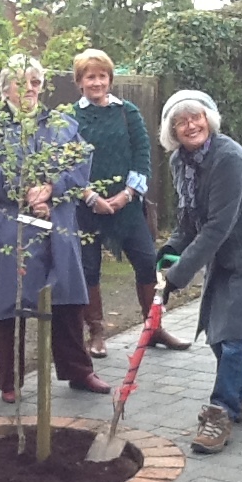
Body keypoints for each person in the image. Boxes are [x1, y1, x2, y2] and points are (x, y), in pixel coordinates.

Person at [158, 90, 242, 454]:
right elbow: (190, 220)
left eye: (196, 117)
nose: (190, 125)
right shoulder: (180, 163)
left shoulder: (228, 158)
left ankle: (220, 413)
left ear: (209, 119)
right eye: (181, 121)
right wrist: (171, 251)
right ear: (172, 130)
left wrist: (179, 275)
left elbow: (217, 226)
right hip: (227, 251)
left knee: (233, 333)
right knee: (218, 332)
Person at [0, 55, 112, 403]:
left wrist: (52, 187)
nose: (30, 88)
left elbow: (81, 165)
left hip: (58, 222)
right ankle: (10, 381)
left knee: (66, 298)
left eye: (36, 82)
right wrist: (27, 192)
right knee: (11, 300)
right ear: (6, 87)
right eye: (22, 81)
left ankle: (78, 370)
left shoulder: (62, 124)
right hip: (11, 225)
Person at [71, 49, 189, 357]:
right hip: (87, 209)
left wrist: (126, 195)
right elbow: (65, 164)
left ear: (110, 79)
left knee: (148, 263)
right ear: (80, 82)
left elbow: (142, 156)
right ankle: (96, 333)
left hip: (129, 207)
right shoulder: (70, 117)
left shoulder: (128, 112)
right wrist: (91, 197)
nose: (96, 82)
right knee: (89, 269)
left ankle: (154, 328)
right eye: (89, 76)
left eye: (102, 76)